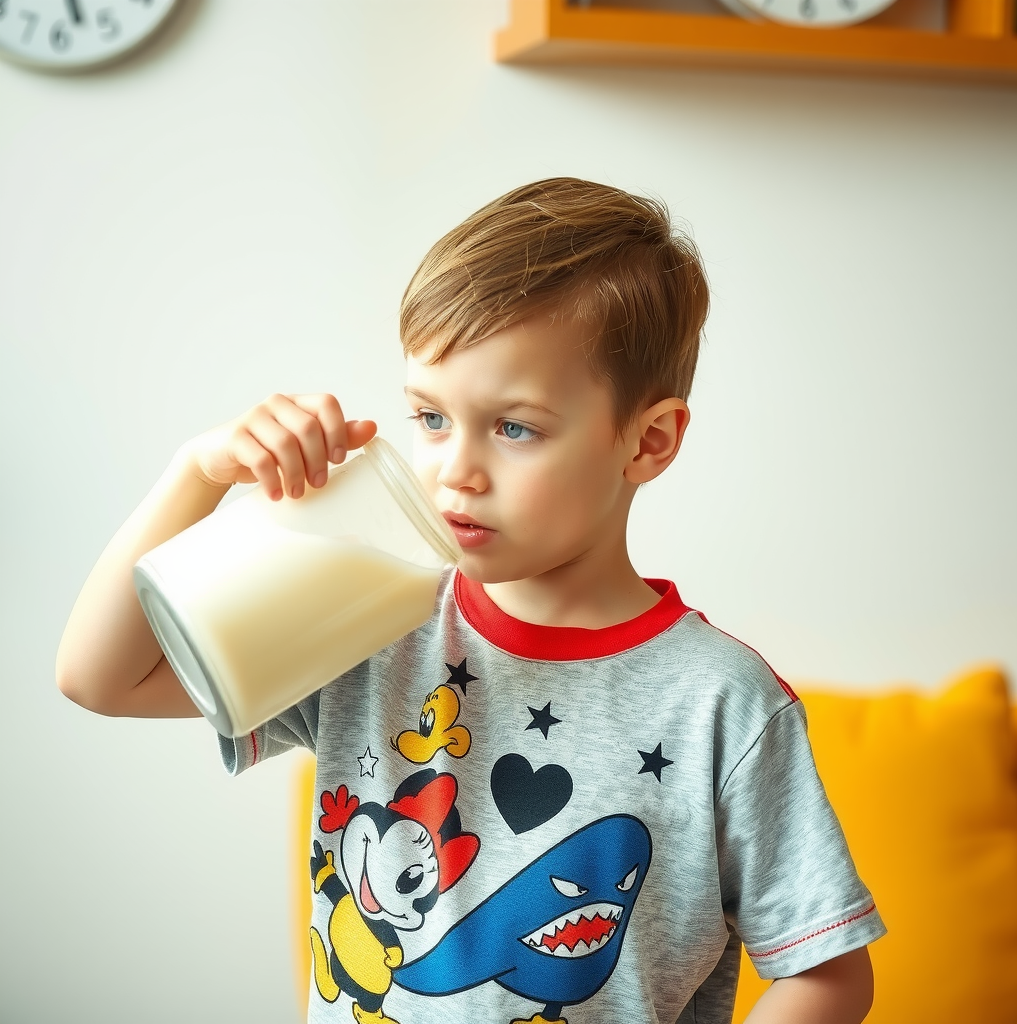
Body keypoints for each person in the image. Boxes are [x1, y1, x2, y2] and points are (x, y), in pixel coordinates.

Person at [57, 178, 885, 1024]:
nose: (456, 470)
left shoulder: (722, 702)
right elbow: (100, 678)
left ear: (649, 441)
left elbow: (825, 972)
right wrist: (197, 475)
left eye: (515, 427)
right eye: (430, 417)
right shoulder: (367, 622)